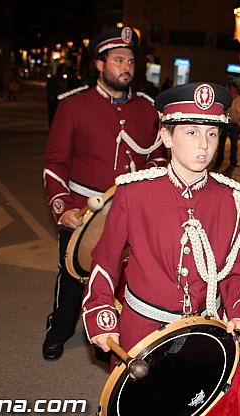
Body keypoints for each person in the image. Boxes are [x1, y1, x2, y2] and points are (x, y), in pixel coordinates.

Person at [82, 82, 240, 416]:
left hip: (203, 337)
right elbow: (104, 263)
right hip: (141, 334)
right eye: (191, 132)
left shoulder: (234, 201)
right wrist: (101, 315)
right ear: (166, 136)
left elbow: (239, 272)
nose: (204, 145)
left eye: (212, 133)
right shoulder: (134, 193)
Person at [41, 26, 167, 361]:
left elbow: (156, 156)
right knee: (73, 275)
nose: (127, 66)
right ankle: (60, 329)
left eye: (130, 61)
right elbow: (55, 164)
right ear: (100, 64)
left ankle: (113, 338)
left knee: (125, 280)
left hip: (132, 211)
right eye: (119, 60)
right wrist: (62, 208)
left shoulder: (147, 108)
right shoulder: (73, 106)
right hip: (85, 211)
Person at [214, 82, 240, 168]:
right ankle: (219, 159)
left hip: (235, 124)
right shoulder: (226, 99)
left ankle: (233, 161)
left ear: (236, 89)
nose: (230, 90)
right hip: (225, 123)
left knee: (234, 143)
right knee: (221, 143)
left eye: (231, 88)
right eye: (229, 88)